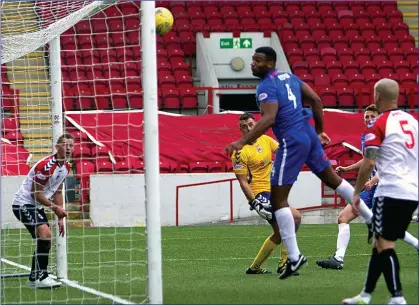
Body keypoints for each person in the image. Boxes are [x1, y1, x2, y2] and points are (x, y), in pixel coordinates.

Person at [226, 46, 376, 279]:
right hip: (308, 134)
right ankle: (370, 219)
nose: (252, 64)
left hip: (292, 140)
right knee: (334, 180)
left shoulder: (266, 86)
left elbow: (269, 118)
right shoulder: (290, 77)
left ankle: (294, 258)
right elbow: (316, 99)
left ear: (269, 63)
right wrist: (319, 130)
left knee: (279, 201)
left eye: (257, 60)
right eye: (253, 60)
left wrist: (241, 141)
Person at [343, 79, 418, 305]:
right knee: (380, 242)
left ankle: (398, 298)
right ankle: (365, 295)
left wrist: (355, 193)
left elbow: (368, 162)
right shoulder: (412, 121)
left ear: (377, 96)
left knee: (385, 245)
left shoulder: (378, 124)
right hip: (412, 192)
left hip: (391, 191)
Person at [316, 105, 418, 270]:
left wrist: (374, 180)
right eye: (366, 116)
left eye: (372, 116)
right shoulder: (367, 136)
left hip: (384, 188)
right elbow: (367, 160)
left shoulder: (385, 136)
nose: (368, 119)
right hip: (370, 190)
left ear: (378, 118)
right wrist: (347, 169)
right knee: (343, 218)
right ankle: (338, 258)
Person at [232, 112, 301, 275]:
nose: (248, 128)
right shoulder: (239, 151)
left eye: (250, 124)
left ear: (256, 124)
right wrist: (255, 202)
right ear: (240, 130)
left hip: (273, 192)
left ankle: (255, 268)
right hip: (260, 195)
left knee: (279, 233)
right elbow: (242, 181)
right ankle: (284, 265)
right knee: (295, 217)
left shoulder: (266, 140)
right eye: (243, 127)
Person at [12, 134, 74, 288]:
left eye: (71, 145)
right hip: (23, 204)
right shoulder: (46, 166)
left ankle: (34, 278)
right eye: (65, 145)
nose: (68, 148)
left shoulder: (66, 167)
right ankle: (42, 277)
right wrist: (55, 208)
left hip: (36, 206)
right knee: (44, 234)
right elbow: (35, 193)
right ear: (57, 147)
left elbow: (58, 192)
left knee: (45, 239)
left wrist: (60, 217)